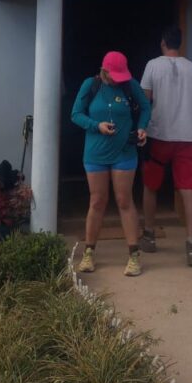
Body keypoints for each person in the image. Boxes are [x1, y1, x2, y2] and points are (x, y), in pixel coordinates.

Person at [71, 51, 151, 277]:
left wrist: (143, 127)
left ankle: (134, 256)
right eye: (114, 75)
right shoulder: (90, 85)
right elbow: (75, 114)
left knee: (125, 200)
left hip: (125, 151)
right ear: (104, 71)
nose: (118, 79)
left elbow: (145, 107)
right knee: (97, 201)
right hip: (95, 153)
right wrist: (97, 126)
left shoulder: (130, 85)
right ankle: (88, 253)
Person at [139, 25, 192, 266]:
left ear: (162, 43)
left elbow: (143, 99)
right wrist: (186, 110)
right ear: (180, 43)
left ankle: (149, 236)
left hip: (159, 134)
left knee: (151, 186)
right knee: (187, 190)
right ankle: (191, 245)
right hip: (186, 136)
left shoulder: (152, 65)